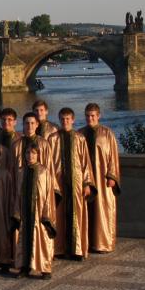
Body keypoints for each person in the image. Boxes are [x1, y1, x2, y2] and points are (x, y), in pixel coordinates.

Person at [48, 108, 97, 260]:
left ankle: (77, 250)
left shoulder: (79, 138)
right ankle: (58, 248)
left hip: (76, 183)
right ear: (59, 120)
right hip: (58, 183)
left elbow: (85, 163)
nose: (65, 122)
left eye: (68, 119)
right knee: (58, 215)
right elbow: (48, 163)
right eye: (62, 119)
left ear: (73, 120)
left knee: (77, 215)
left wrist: (87, 183)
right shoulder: (52, 139)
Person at [79, 103, 121, 254]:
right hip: (85, 180)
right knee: (86, 211)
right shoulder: (80, 133)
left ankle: (104, 243)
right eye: (87, 116)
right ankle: (86, 243)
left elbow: (113, 157)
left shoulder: (107, 133)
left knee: (103, 210)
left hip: (103, 178)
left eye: (92, 116)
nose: (90, 118)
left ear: (98, 116)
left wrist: (112, 176)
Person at [13, 144, 57, 279]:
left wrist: (46, 213)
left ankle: (45, 269)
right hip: (25, 211)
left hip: (39, 212)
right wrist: (17, 212)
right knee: (24, 239)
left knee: (42, 238)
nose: (30, 156)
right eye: (27, 153)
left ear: (38, 154)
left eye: (33, 153)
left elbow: (49, 193)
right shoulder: (21, 172)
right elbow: (18, 194)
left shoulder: (44, 171)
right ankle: (24, 267)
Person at [10, 112, 54, 180]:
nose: (29, 126)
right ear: (23, 125)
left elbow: (49, 167)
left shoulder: (44, 144)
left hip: (40, 182)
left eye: (32, 123)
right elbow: (12, 168)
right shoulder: (16, 145)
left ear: (37, 124)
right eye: (27, 123)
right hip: (20, 182)